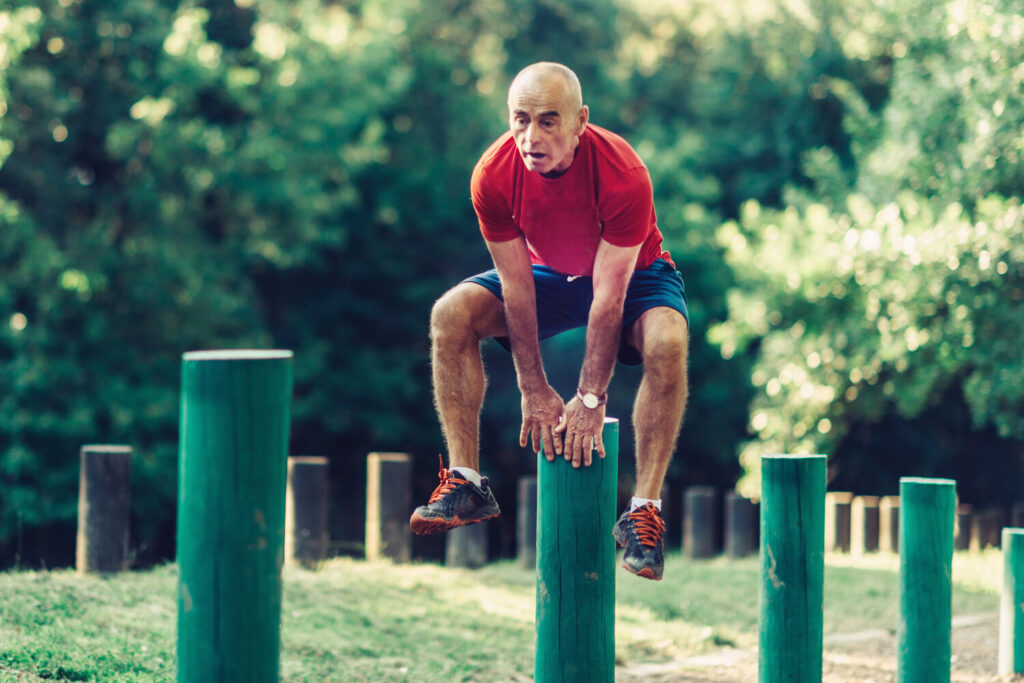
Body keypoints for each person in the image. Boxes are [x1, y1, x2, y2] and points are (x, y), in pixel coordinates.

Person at [409, 62, 689, 581]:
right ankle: (467, 480)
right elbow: (516, 286)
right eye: (520, 120)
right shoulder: (492, 175)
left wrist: (588, 397)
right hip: (547, 275)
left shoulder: (624, 174)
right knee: (450, 314)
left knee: (669, 341)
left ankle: (643, 510)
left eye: (548, 121)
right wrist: (533, 387)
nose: (530, 137)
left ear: (581, 121)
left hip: (634, 275)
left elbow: (608, 300)